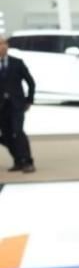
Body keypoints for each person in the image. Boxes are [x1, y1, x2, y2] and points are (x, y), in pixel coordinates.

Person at [0, 35, 36, 173]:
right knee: (6, 135)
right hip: (2, 106)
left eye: (4, 43)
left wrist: (29, 100)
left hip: (16, 104)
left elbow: (30, 82)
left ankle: (27, 161)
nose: (3, 47)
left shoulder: (17, 63)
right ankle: (18, 159)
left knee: (18, 131)